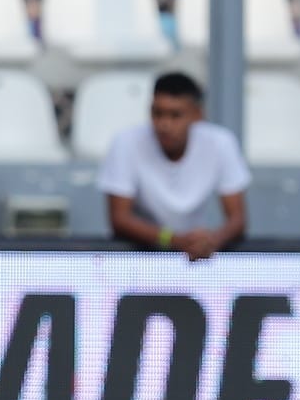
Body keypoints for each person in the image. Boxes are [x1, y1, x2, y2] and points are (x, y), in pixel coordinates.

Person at [100, 71, 250, 261]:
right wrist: (175, 240)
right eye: (157, 113)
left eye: (175, 115)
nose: (164, 124)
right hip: (135, 259)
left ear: (197, 115)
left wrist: (211, 242)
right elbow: (119, 220)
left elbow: (238, 220)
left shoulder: (221, 142)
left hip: (193, 260)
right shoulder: (125, 142)